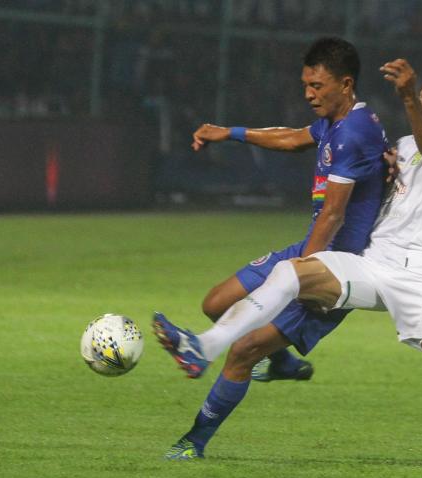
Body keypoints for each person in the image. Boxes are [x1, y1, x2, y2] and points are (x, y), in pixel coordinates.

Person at [153, 57, 422, 477]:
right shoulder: (399, 145)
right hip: (370, 263)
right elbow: (319, 145)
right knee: (292, 272)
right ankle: (202, 349)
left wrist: (403, 99)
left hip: (418, 277)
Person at [153, 35, 389, 453]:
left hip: (335, 267)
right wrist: (230, 132)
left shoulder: (353, 132)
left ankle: (194, 442)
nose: (308, 94)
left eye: (317, 86)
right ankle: (282, 362)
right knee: (215, 304)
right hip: (309, 248)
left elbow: (334, 215)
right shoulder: (338, 121)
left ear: (346, 83)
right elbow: (294, 137)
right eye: (305, 85)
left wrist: (304, 276)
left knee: (241, 350)